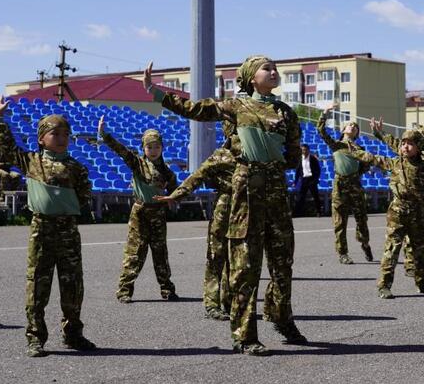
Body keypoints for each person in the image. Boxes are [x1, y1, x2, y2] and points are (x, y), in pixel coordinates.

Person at [143, 56, 306, 356]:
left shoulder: (286, 113)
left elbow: (294, 155)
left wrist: (276, 158)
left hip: (277, 194)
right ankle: (245, 335)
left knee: (283, 263)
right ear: (249, 77)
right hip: (248, 194)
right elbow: (196, 109)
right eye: (265, 68)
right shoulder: (237, 105)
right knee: (246, 264)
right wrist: (155, 93)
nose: (273, 72)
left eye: (274, 68)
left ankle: (282, 318)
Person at [0, 95, 95, 358]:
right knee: (38, 285)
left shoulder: (77, 168)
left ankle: (73, 334)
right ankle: (35, 337)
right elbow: (8, 146)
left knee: (72, 285)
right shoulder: (32, 161)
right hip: (42, 229)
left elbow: (84, 198)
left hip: (68, 230)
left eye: (65, 133)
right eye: (55, 133)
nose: (61, 137)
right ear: (41, 138)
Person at [154, 126, 237, 321]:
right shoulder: (221, 155)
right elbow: (196, 178)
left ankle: (230, 301)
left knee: (237, 259)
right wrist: (175, 196)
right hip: (224, 209)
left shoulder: (253, 155)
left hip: (245, 211)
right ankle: (212, 304)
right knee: (216, 256)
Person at [354, 122, 424, 299]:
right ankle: (384, 285)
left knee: (419, 250)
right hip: (397, 213)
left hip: (418, 214)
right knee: (392, 249)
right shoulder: (395, 163)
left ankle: (423, 283)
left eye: (410, 144)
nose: (405, 147)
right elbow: (372, 158)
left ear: (419, 147)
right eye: (403, 143)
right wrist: (354, 151)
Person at [98, 116, 179, 304]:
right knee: (135, 252)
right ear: (143, 148)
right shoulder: (137, 163)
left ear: (162, 148)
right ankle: (124, 291)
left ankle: (167, 289)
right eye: (149, 147)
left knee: (160, 253)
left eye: (157, 147)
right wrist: (104, 134)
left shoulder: (167, 171)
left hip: (158, 213)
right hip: (140, 213)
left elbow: (176, 189)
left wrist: (172, 199)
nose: (153, 150)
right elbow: (121, 150)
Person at [372, 120, 424, 275]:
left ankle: (413, 265)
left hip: (423, 201)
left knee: (419, 235)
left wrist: (380, 133)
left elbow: (393, 143)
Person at [316, 107, 373, 264]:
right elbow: (321, 131)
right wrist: (325, 115)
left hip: (355, 185)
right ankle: (343, 253)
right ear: (343, 129)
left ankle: (365, 243)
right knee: (340, 221)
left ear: (357, 133)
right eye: (350, 125)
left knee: (361, 219)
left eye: (356, 127)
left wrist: (357, 174)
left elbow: (366, 165)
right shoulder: (336, 145)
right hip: (340, 185)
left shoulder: (360, 149)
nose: (353, 127)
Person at [294, 144, 322, 216]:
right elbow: (298, 171)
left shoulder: (313, 158)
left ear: (308, 150)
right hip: (304, 179)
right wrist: (295, 181)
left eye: (306, 150)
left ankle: (319, 211)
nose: (304, 151)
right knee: (301, 196)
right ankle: (298, 213)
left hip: (312, 179)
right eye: (303, 150)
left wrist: (316, 179)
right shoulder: (299, 159)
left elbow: (318, 170)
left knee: (315, 196)